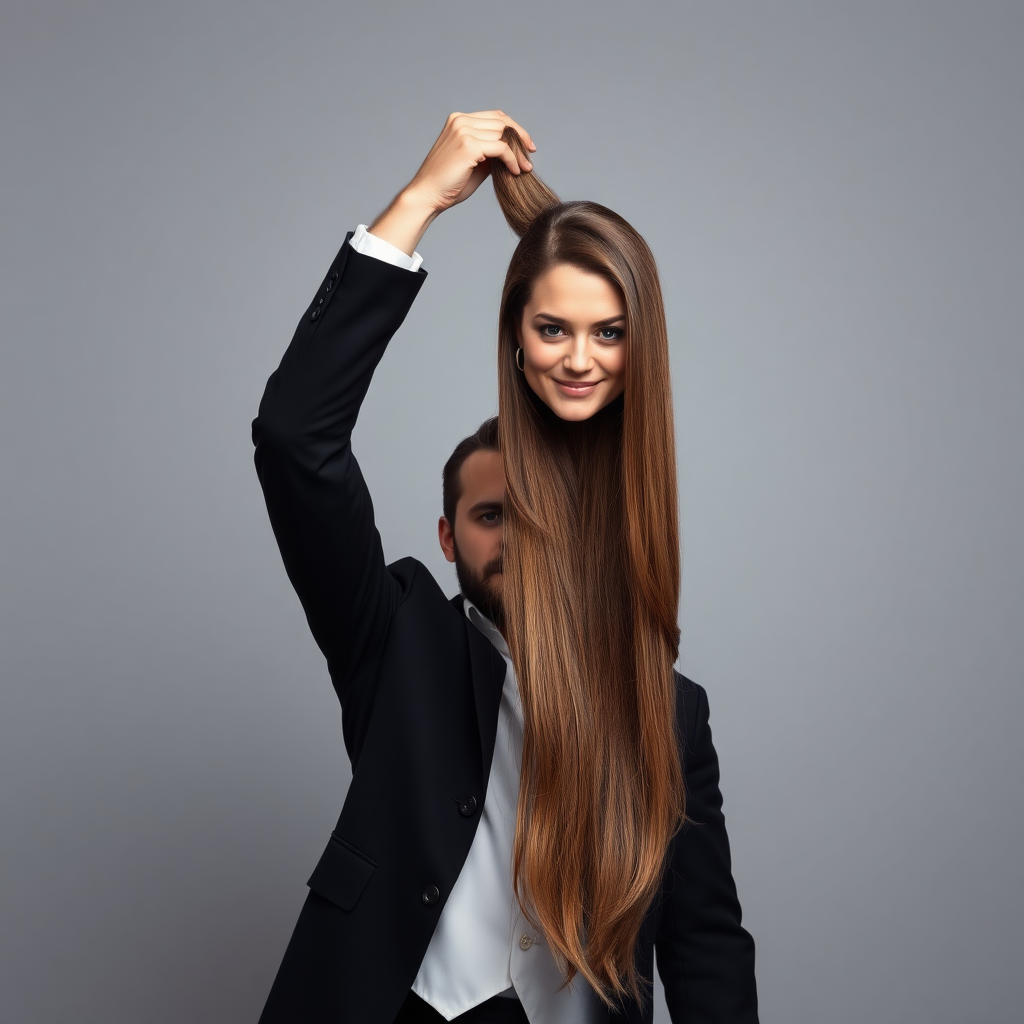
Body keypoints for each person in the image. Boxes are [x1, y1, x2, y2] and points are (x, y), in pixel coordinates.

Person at [252, 110, 757, 1024]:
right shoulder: (393, 635)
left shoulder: (671, 709)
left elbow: (706, 944)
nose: (578, 357)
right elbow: (295, 437)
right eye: (492, 516)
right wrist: (419, 202)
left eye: (608, 332)